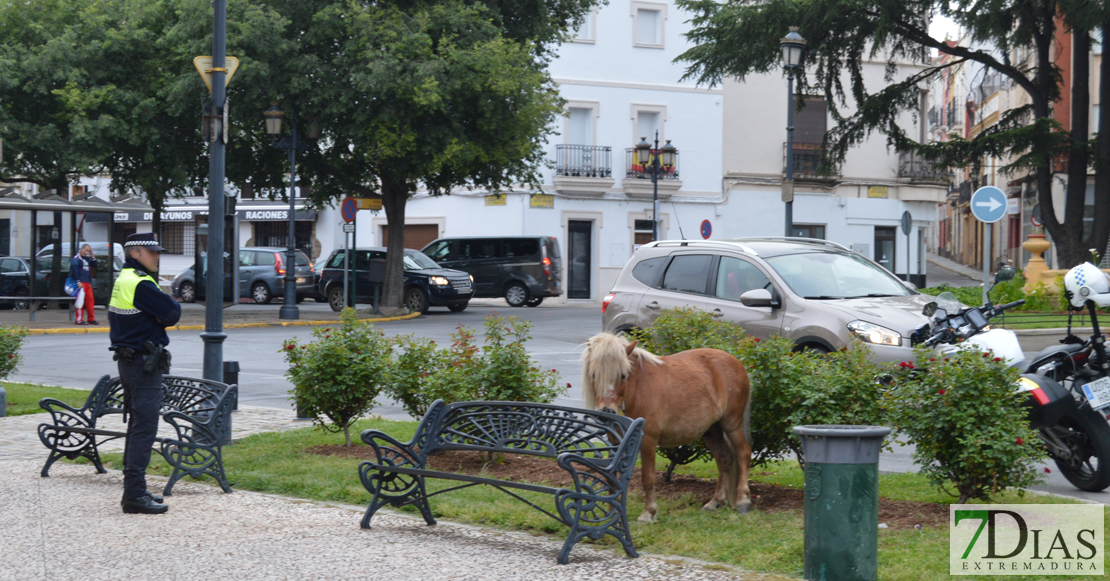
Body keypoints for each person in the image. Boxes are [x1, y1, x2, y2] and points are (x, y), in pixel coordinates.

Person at [109, 233, 181, 514]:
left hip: (131, 363)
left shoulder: (124, 280)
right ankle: (134, 495)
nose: (157, 256)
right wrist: (161, 312)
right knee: (144, 428)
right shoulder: (140, 283)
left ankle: (134, 491)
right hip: (143, 364)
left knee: (137, 425)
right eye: (152, 252)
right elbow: (173, 313)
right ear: (135, 253)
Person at [69, 244, 99, 325]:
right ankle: (79, 319)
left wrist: (92, 255)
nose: (86, 253)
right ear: (81, 249)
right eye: (86, 251)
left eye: (88, 252)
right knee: (80, 301)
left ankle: (91, 318)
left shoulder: (86, 259)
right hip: (81, 283)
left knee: (90, 301)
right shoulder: (76, 259)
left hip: (87, 282)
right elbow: (74, 271)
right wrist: (78, 282)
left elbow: (95, 264)